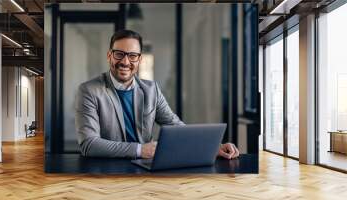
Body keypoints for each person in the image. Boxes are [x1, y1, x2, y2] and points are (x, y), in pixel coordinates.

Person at [75, 29, 239, 160]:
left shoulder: (151, 89)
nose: (125, 62)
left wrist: (212, 147)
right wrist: (140, 150)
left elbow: (175, 126)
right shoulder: (88, 90)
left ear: (139, 60)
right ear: (109, 56)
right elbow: (89, 144)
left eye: (132, 56)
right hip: (105, 172)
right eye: (119, 54)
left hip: (144, 168)